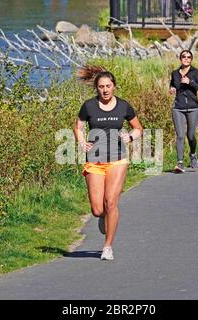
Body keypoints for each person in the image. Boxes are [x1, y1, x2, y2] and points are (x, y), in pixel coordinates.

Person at [74, 66, 143, 261]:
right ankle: (103, 217)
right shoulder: (89, 106)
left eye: (108, 86)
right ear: (97, 88)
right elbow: (78, 126)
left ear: (114, 87)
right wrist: (81, 141)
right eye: (101, 87)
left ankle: (108, 246)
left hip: (117, 159)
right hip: (95, 160)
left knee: (111, 202)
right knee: (98, 209)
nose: (105, 90)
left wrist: (129, 137)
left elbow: (138, 128)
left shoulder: (123, 106)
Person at [169, 50, 198, 173]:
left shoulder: (195, 72)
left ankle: (193, 154)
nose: (186, 58)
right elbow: (172, 85)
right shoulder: (175, 73)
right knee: (180, 136)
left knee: (190, 136)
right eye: (184, 57)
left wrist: (190, 82)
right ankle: (179, 163)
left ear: (191, 59)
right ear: (180, 59)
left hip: (193, 108)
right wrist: (172, 89)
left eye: (189, 57)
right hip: (178, 108)